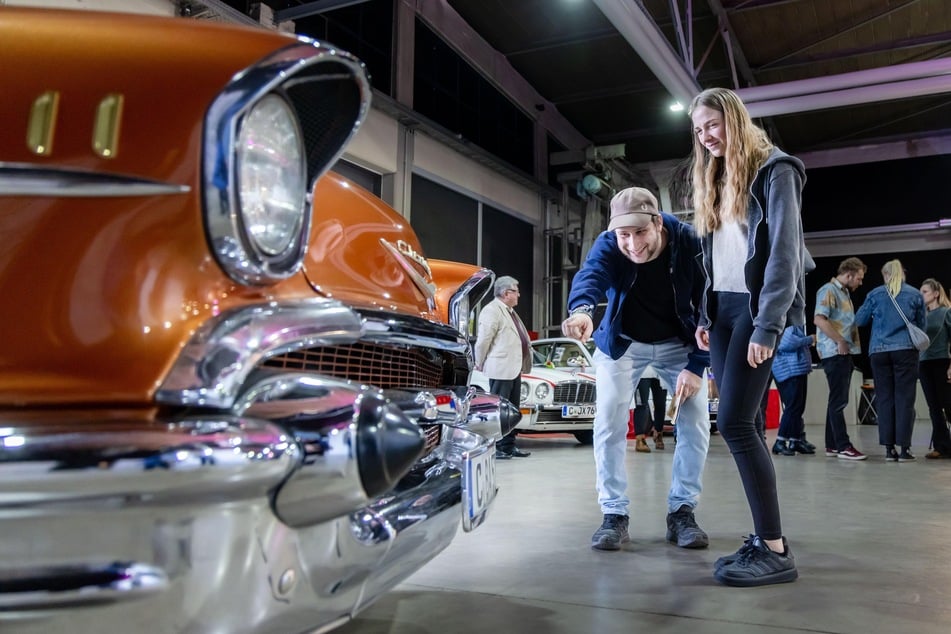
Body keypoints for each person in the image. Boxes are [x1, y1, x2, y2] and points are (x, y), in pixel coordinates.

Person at [690, 86, 806, 587]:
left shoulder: (776, 170)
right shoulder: (714, 177)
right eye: (698, 130)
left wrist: (768, 324)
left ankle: (776, 550)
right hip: (722, 312)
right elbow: (714, 254)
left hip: (756, 311)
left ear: (734, 119)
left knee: (735, 424)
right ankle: (765, 537)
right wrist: (703, 311)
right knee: (748, 425)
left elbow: (783, 254)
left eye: (712, 124)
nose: (706, 136)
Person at [561, 186, 711, 553]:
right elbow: (591, 275)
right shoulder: (610, 243)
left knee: (695, 422)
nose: (632, 244)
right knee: (609, 420)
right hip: (624, 343)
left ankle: (682, 512)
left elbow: (711, 302)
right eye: (624, 235)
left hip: (679, 343)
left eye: (640, 232)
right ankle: (614, 514)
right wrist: (581, 310)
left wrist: (697, 366)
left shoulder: (688, 240)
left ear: (658, 222)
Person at [855, 260, 926, 462]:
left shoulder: (875, 294)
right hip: (905, 351)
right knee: (905, 399)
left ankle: (888, 449)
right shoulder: (914, 294)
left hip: (878, 352)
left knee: (885, 398)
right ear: (902, 273)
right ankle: (904, 449)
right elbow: (922, 325)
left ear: (885, 274)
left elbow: (859, 320)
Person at [814, 257, 868, 460]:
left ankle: (833, 445)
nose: (860, 283)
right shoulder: (829, 290)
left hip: (842, 352)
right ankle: (844, 445)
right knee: (839, 401)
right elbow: (819, 319)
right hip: (836, 353)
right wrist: (840, 341)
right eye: (859, 278)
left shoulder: (843, 293)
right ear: (849, 274)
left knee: (835, 400)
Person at [474, 275, 533, 459]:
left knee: (512, 409)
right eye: (516, 291)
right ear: (506, 293)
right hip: (501, 369)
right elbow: (483, 339)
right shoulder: (492, 310)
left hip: (513, 369)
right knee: (499, 409)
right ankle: (499, 446)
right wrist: (479, 361)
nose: (519, 295)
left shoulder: (509, 311)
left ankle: (508, 445)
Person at [771, 325, 817, 456]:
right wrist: (810, 339)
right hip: (789, 371)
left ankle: (795, 440)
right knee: (792, 407)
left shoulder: (793, 322)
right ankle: (780, 442)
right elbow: (786, 343)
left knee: (797, 408)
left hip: (798, 369)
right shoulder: (786, 321)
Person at [918, 278, 951, 459]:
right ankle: (942, 446)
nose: (921, 295)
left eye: (925, 292)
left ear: (936, 294)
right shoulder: (921, 316)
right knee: (934, 407)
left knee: (948, 404)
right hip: (924, 364)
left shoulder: (947, 312)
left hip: (942, 362)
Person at [633, 366, 667, 452]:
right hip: (642, 372)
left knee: (661, 404)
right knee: (641, 404)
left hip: (660, 371)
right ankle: (639, 438)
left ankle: (659, 433)